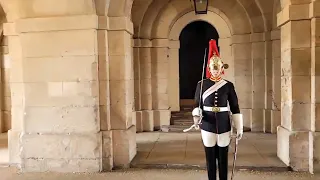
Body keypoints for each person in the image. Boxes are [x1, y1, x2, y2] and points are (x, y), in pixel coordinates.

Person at [192, 39, 243, 180]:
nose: (215, 71)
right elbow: (196, 105)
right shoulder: (201, 84)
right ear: (209, 69)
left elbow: (235, 107)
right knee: (210, 159)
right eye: (212, 68)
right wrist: (196, 116)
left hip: (224, 124)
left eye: (217, 68)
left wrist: (239, 127)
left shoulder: (228, 85)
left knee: (222, 158)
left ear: (221, 68)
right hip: (207, 124)